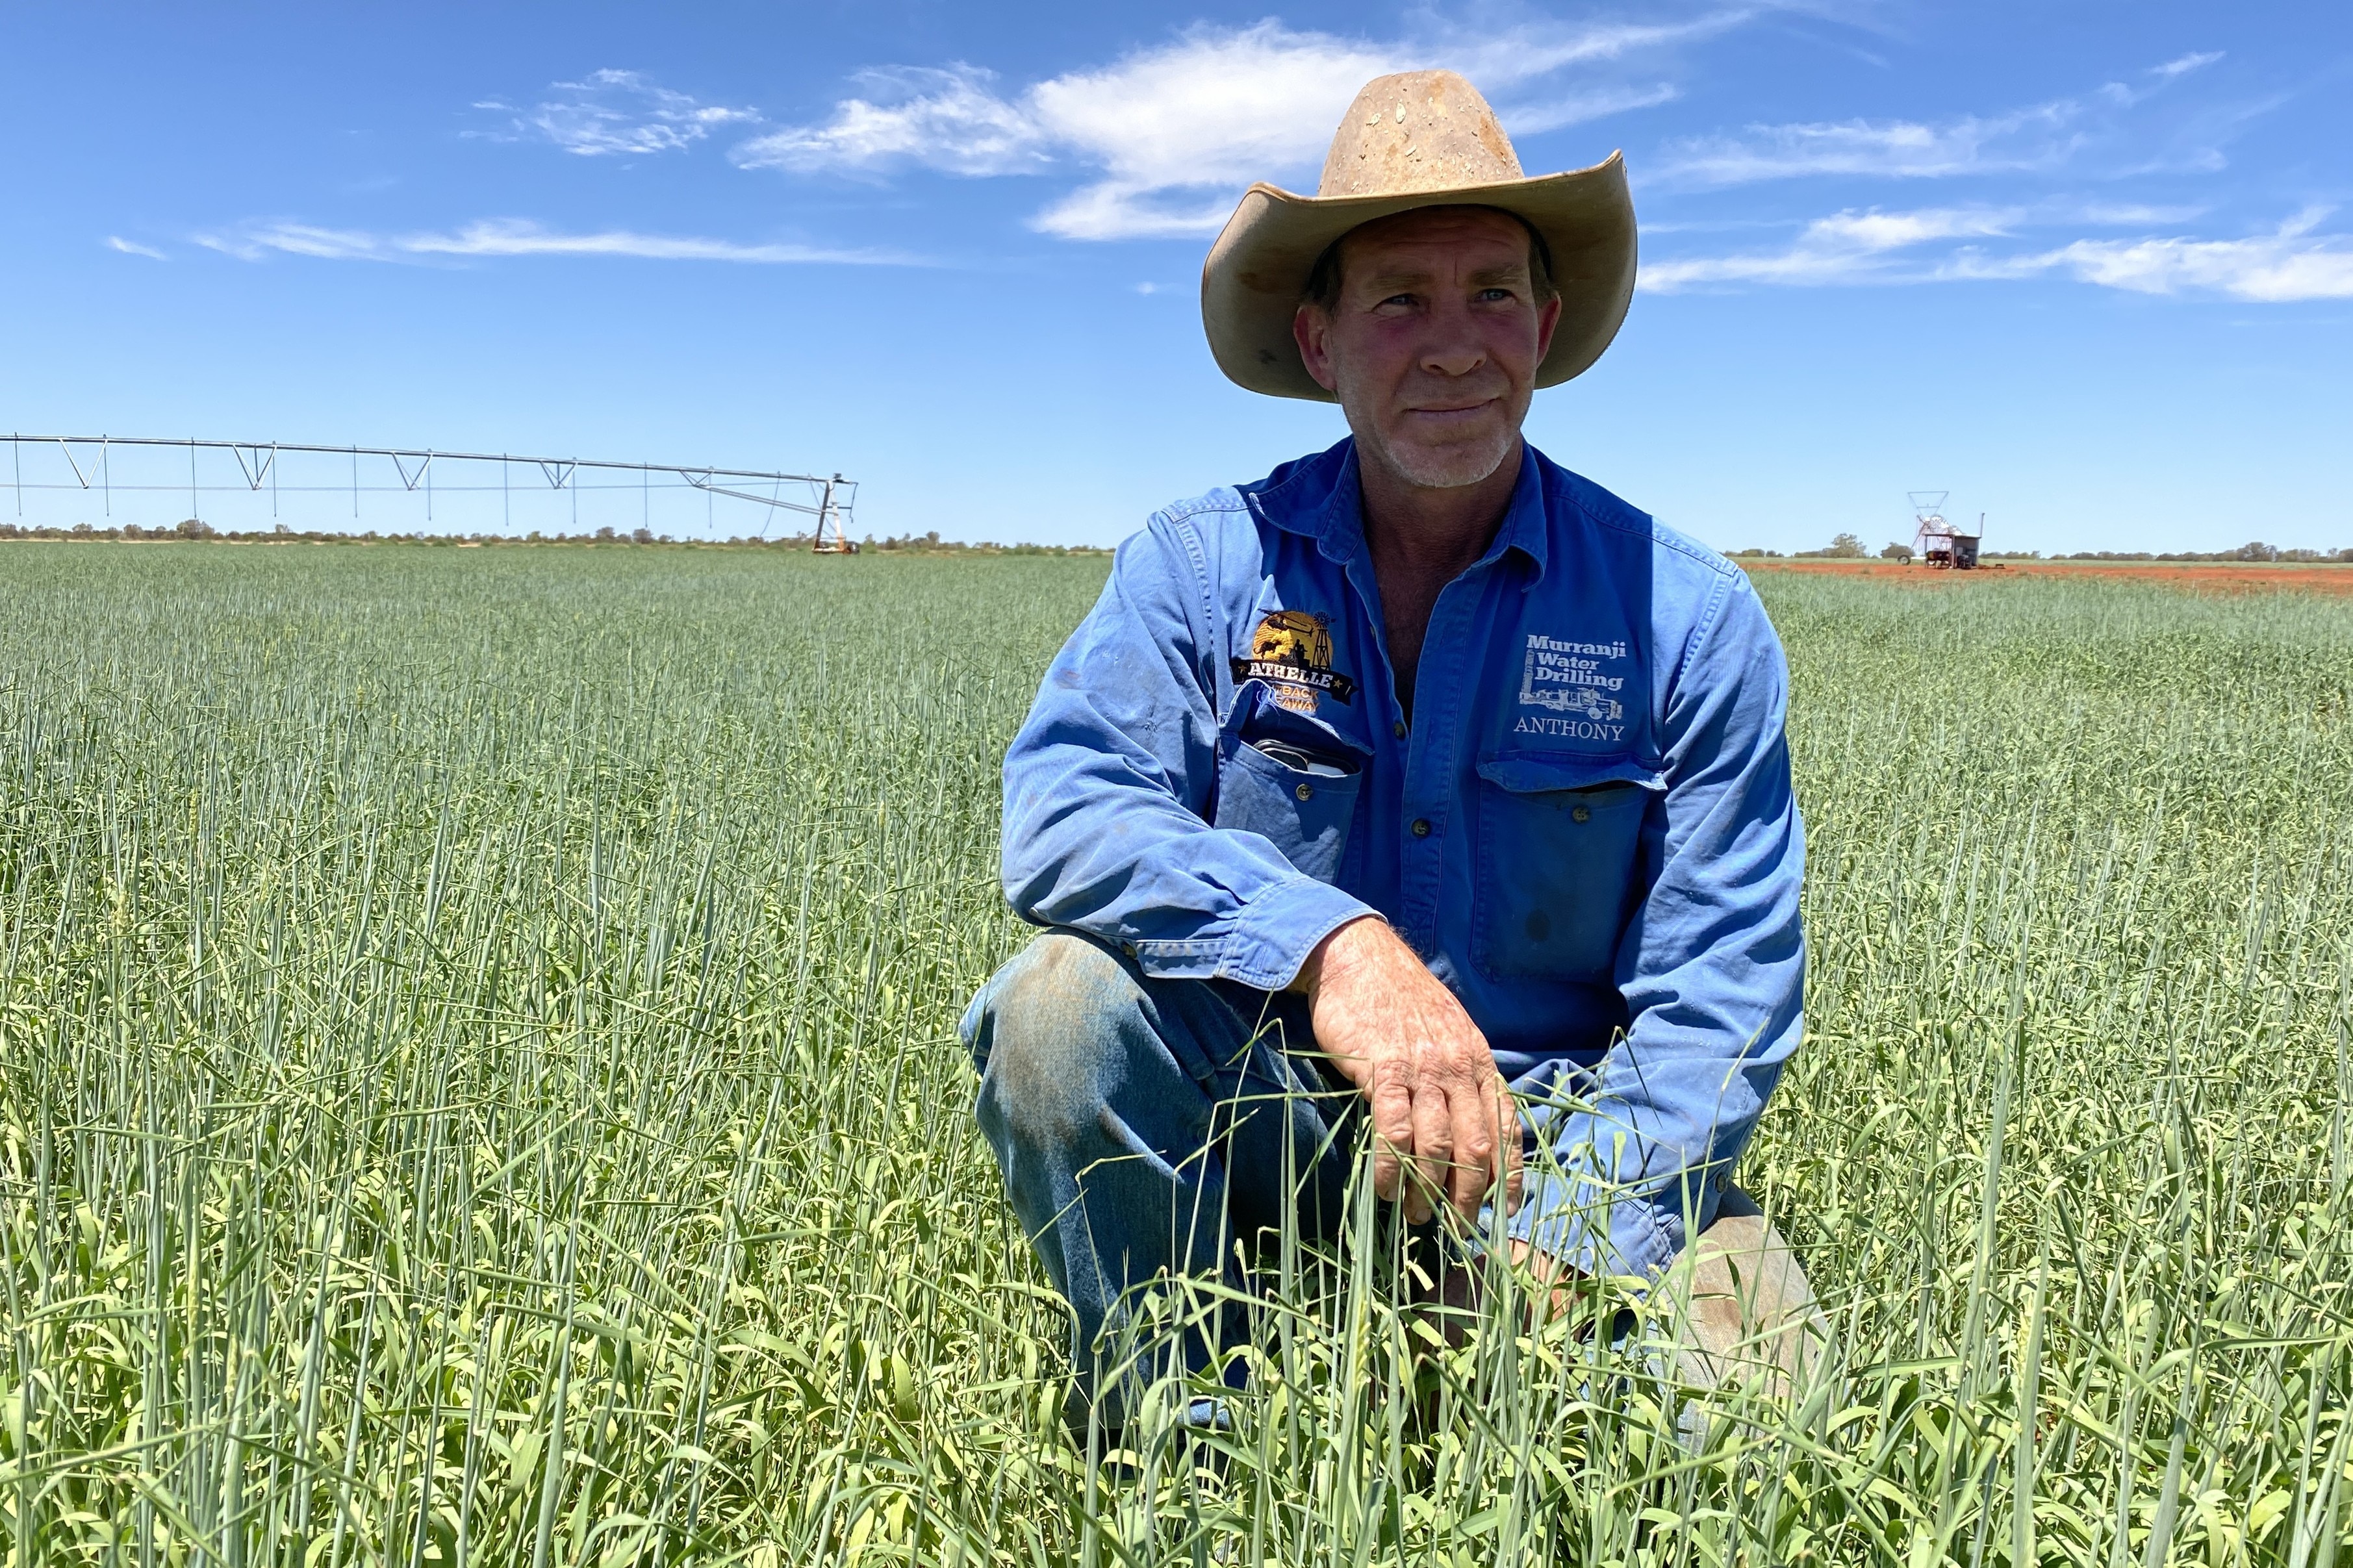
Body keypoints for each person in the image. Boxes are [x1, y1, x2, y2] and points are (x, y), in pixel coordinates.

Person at [961, 69, 1816, 1447]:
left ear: (1542, 327)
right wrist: (1334, 948)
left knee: (1750, 1416)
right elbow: (1062, 809)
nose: (1452, 345)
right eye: (1398, 300)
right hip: (1271, 1117)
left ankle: (1499, 1357)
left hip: (1552, 1150)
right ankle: (1184, 1449)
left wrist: (1572, 1233)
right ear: (1318, 341)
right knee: (1057, 1009)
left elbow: (1721, 992)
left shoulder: (1685, 616)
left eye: (1490, 293)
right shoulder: (1199, 569)